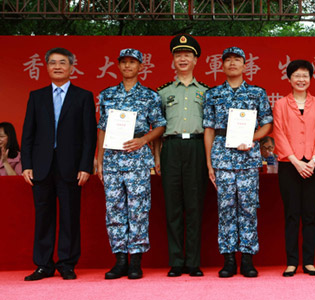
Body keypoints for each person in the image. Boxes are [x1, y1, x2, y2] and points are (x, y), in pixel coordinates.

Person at [21, 47, 97, 281]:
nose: (57, 66)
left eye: (62, 62)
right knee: (43, 216)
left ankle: (67, 263)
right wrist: (26, 164)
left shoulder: (83, 96)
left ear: (72, 67)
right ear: (46, 67)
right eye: (52, 62)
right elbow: (28, 134)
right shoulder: (37, 96)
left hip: (71, 168)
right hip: (41, 166)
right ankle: (43, 264)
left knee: (69, 216)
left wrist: (85, 166)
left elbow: (89, 135)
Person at [203, 46, 273, 278]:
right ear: (222, 65)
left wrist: (250, 138)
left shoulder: (256, 93)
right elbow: (209, 130)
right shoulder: (212, 94)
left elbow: (267, 124)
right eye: (228, 60)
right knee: (225, 209)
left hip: (248, 159)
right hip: (222, 158)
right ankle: (229, 260)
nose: (232, 63)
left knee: (248, 208)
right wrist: (209, 163)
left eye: (237, 59)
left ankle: (248, 259)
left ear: (245, 65)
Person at [97, 49, 166, 280]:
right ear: (118, 66)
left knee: (138, 210)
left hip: (137, 160)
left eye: (132, 62)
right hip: (113, 160)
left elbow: (160, 126)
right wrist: (99, 158)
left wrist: (144, 140)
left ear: (140, 67)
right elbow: (102, 128)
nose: (128, 66)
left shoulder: (150, 96)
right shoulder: (107, 95)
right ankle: (120, 261)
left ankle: (136, 260)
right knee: (114, 210)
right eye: (124, 62)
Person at [155, 34, 209, 277]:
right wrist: (157, 157)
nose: (183, 58)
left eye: (187, 54)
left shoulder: (207, 92)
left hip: (197, 148)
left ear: (196, 60)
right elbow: (156, 129)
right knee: (173, 207)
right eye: (178, 55)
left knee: (195, 206)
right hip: (171, 149)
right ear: (173, 60)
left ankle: (193, 262)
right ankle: (177, 261)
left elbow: (211, 129)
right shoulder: (163, 93)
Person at [272, 60, 315, 277]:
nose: (301, 79)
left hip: (314, 165)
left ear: (311, 78)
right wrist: (295, 161)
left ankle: (310, 262)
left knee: (310, 215)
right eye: (297, 75)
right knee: (292, 214)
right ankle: (292, 261)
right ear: (289, 79)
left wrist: (313, 161)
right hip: (289, 166)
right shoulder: (281, 105)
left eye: (305, 75)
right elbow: (279, 134)